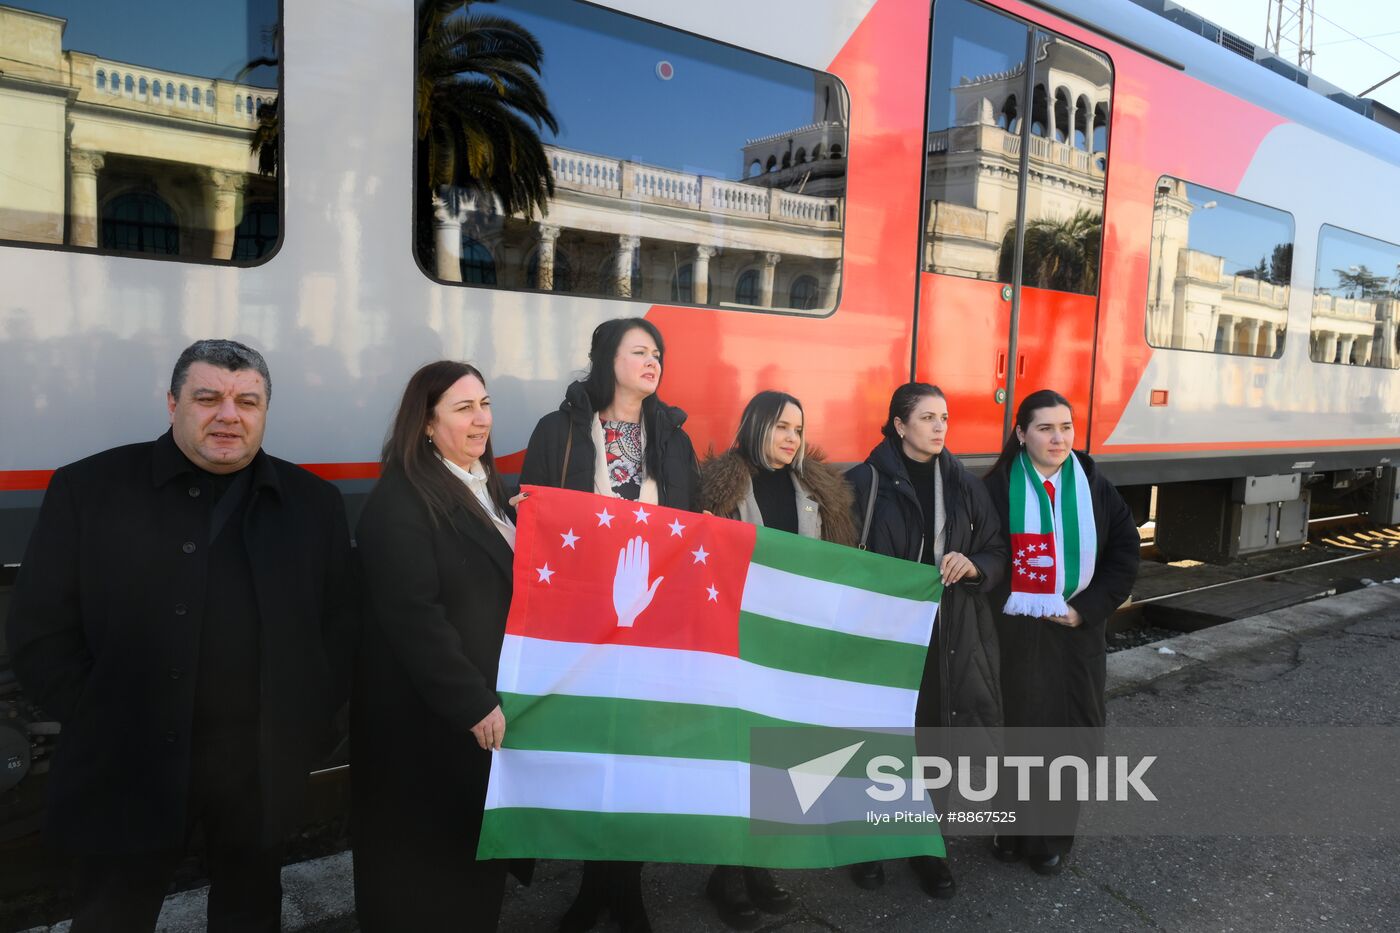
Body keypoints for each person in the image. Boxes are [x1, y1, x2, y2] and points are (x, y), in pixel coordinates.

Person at [6, 339, 356, 932]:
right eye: (207, 397)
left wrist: (305, 726)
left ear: (265, 410)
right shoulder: (88, 489)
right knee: (112, 916)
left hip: (256, 771)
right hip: (126, 765)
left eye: (248, 400)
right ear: (172, 404)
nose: (229, 415)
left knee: (248, 913)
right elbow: (40, 628)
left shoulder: (313, 504)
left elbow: (340, 629)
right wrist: (99, 715)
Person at [520, 316, 699, 933]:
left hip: (652, 618)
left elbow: (693, 527)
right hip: (582, 619)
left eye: (659, 354)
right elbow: (536, 516)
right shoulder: (560, 430)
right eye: (640, 351)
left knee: (640, 753)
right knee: (594, 749)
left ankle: (624, 887)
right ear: (606, 359)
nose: (653, 362)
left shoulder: (674, 437)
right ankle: (597, 884)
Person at [351, 361, 526, 931]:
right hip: (432, 733)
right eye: (464, 408)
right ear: (426, 424)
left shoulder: (486, 488)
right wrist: (471, 703)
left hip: (474, 725)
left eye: (485, 404)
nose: (482, 421)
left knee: (471, 875)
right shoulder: (400, 504)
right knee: (426, 884)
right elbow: (413, 618)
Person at [697, 390, 856, 929]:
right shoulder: (721, 485)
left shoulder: (820, 489)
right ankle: (728, 871)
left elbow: (840, 565)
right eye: (782, 426)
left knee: (779, 757)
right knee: (738, 756)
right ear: (755, 425)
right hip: (739, 644)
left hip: (796, 646)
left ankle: (759, 864)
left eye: (798, 428)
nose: (792, 438)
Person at [845, 382, 1006, 899]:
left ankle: (924, 845)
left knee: (932, 738)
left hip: (946, 636)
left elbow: (997, 550)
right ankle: (868, 842)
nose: (940, 427)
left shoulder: (962, 484)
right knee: (880, 737)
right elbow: (838, 559)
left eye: (944, 418)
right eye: (928, 418)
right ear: (899, 425)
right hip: (883, 636)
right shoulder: (863, 483)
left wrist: (975, 565)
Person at [982, 389, 1139, 874]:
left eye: (1066, 427)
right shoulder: (995, 488)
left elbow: (1124, 554)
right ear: (1021, 433)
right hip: (1017, 635)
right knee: (1015, 732)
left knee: (1066, 736)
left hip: (1075, 638)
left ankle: (1049, 838)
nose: (1058, 437)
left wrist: (1084, 610)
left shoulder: (1094, 486)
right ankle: (1009, 827)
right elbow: (986, 555)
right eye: (1046, 428)